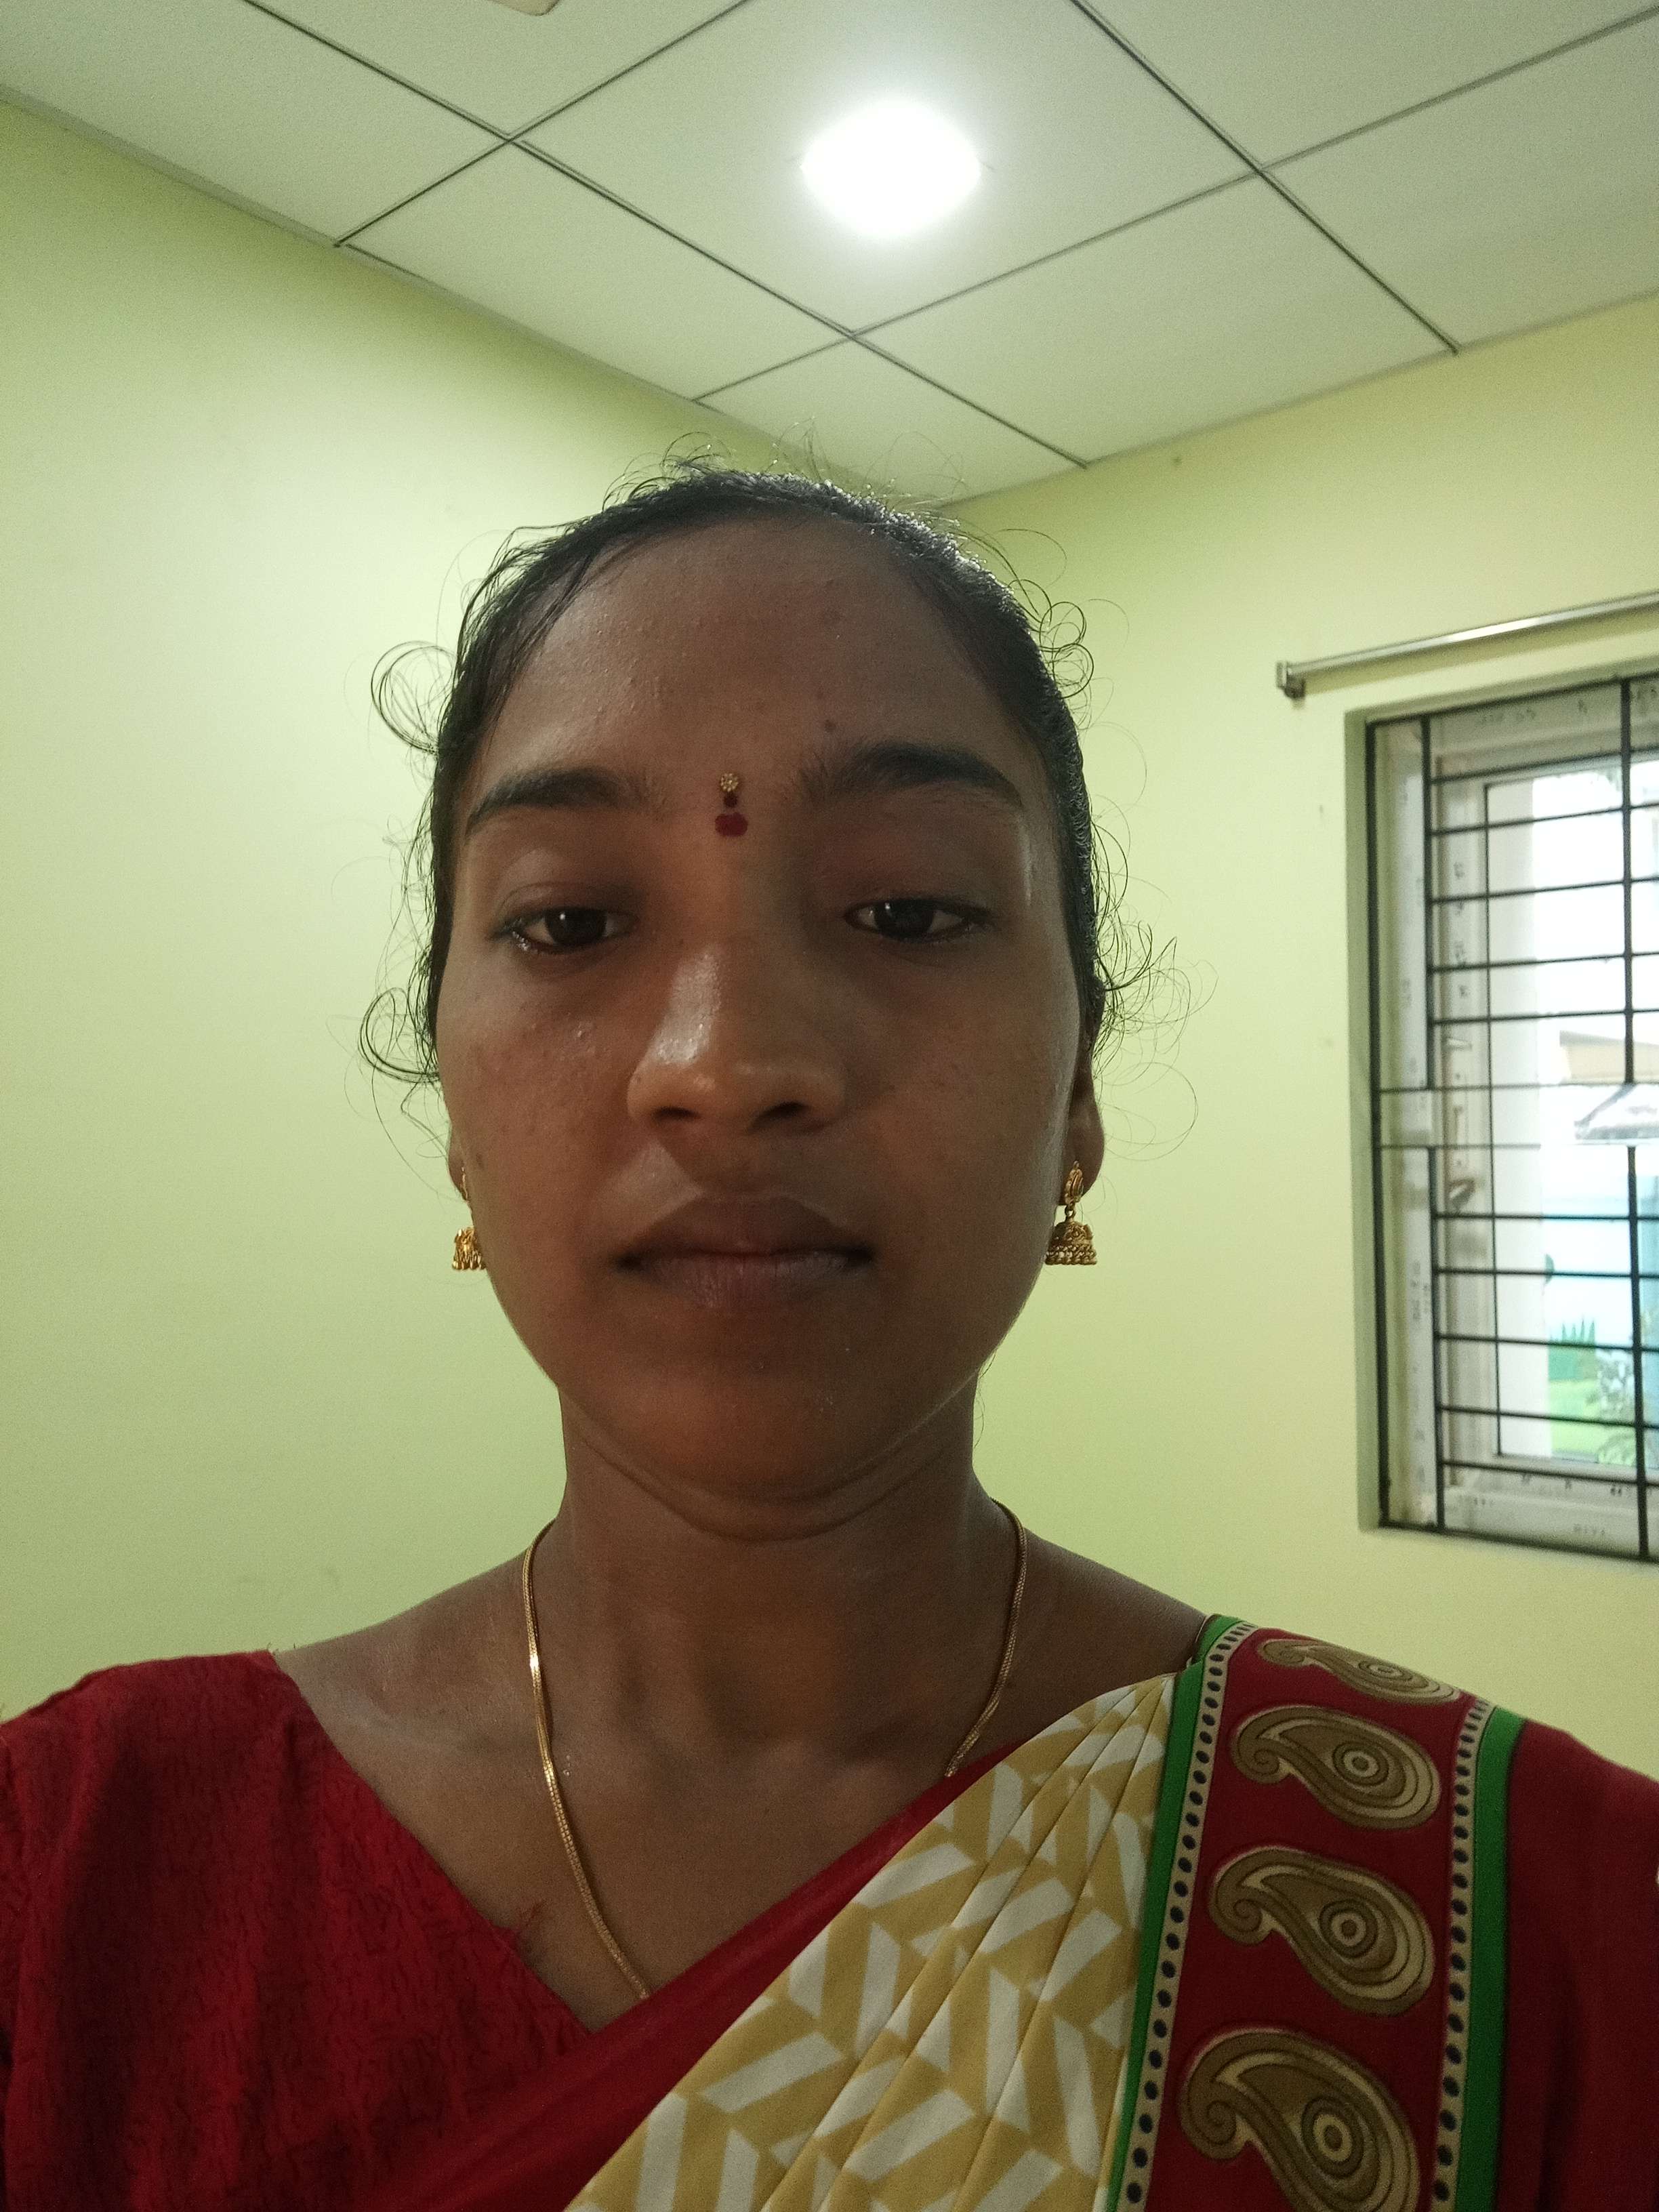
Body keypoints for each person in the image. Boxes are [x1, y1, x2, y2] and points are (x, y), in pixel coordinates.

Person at [1, 464, 1654, 2212]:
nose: (725, 1066)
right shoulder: (77, 1874)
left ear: (1077, 1096)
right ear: (455, 1109)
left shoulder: (1533, 1928)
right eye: (569, 922)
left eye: (911, 913)